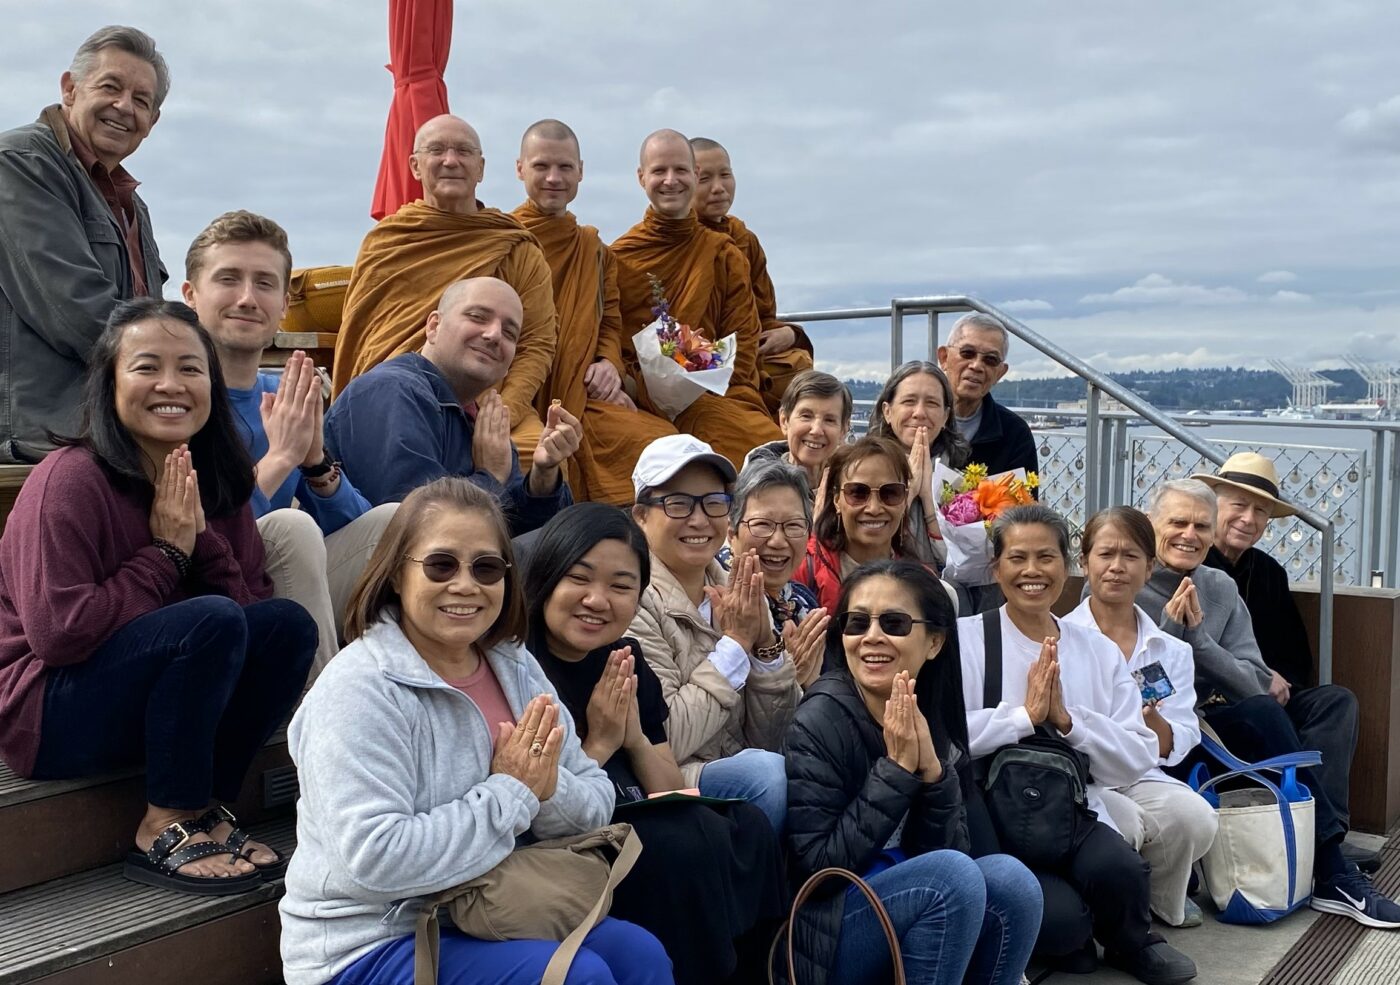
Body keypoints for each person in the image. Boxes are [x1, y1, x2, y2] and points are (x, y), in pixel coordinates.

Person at [279, 477, 672, 985]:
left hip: (492, 904)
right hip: (370, 939)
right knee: (578, 976)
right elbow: (373, 859)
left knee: (641, 955)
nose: (466, 585)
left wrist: (549, 788)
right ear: (398, 573)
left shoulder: (514, 665)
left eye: (486, 568)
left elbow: (595, 797)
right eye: (442, 565)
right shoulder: (358, 690)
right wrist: (511, 792)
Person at [0, 298, 316, 894]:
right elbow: (58, 635)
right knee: (209, 622)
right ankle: (163, 822)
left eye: (191, 369)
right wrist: (164, 557)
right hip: (46, 711)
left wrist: (200, 542)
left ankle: (204, 807)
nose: (170, 385)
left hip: (160, 710)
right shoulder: (68, 480)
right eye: (147, 366)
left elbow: (250, 621)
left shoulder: (216, 479)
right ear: (111, 384)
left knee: (286, 625)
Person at [524, 502, 789, 985]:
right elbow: (539, 809)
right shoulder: (521, 664)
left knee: (746, 826)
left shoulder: (624, 658)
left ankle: (763, 969)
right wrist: (601, 744)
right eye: (579, 579)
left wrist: (636, 739)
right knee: (677, 846)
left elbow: (668, 788)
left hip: (633, 807)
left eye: (621, 586)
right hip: (566, 835)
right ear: (546, 576)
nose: (597, 600)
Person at [1138, 478, 1400, 928]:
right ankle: (1332, 863)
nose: (1190, 534)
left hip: (1228, 714)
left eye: (1202, 525)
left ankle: (1326, 854)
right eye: (1177, 522)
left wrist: (1201, 641)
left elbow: (1256, 679)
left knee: (1304, 705)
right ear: (1149, 526)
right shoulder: (1128, 583)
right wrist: (1172, 631)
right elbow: (1146, 687)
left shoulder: (1219, 585)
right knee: (1261, 715)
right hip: (1169, 729)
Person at [960, 505, 1197, 984]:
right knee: (1062, 925)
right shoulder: (969, 640)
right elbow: (948, 740)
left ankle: (1134, 944)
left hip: (1072, 807)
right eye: (1017, 558)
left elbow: (1135, 756)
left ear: (1066, 567)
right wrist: (1023, 717)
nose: (1032, 571)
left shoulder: (1096, 651)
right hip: (993, 811)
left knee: (1124, 872)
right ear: (995, 568)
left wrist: (1070, 721)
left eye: (1046, 557)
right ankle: (1067, 938)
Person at [784, 559, 1042, 984]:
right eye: (856, 622)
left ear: (935, 642)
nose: (871, 637)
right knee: (951, 878)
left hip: (916, 903)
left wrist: (934, 779)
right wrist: (897, 771)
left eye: (894, 622)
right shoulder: (821, 719)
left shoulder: (931, 713)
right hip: (831, 930)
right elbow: (816, 872)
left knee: (1012, 880)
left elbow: (947, 849)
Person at [183, 210, 395, 672]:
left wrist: (314, 461)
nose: (246, 298)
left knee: (395, 522)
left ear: (282, 304)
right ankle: (316, 721)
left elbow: (356, 532)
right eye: (228, 279)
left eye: (264, 283)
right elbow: (190, 537)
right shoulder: (174, 396)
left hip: (278, 587)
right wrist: (279, 459)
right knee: (291, 530)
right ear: (191, 296)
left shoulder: (283, 395)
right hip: (197, 594)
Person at [331, 115, 556, 457]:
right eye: (436, 150)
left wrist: (502, 412)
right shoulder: (386, 241)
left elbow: (537, 341)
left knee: (530, 454)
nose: (451, 160)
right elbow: (362, 337)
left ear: (480, 168)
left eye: (463, 151)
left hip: (482, 399)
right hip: (398, 393)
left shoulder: (515, 245)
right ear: (415, 166)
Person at [0, 25, 168, 462]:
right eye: (110, 87)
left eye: (141, 100)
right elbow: (74, 312)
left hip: (110, 443)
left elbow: (146, 314)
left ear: (152, 122)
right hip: (38, 449)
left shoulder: (134, 206)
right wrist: (181, 372)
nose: (123, 107)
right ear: (70, 89)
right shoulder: (21, 163)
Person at [626, 434, 800, 834]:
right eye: (678, 503)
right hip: (668, 786)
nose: (700, 519)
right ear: (640, 515)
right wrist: (735, 646)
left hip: (736, 763)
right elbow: (667, 738)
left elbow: (777, 734)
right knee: (764, 774)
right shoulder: (631, 600)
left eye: (714, 502)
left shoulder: (735, 586)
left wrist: (767, 653)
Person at [324, 277, 576, 537]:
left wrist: (543, 476)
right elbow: (415, 525)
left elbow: (514, 529)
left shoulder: (482, 420)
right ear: (433, 326)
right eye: (478, 317)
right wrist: (490, 476)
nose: (494, 335)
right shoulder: (393, 391)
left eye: (510, 333)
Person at [1064, 506, 1218, 929]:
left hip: (1142, 773)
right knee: (1123, 823)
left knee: (1194, 816)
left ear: (1149, 568)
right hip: (1085, 777)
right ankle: (1106, 916)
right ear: (1084, 562)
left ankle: (1156, 902)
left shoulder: (1170, 651)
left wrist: (1156, 727)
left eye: (1130, 556)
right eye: (1105, 554)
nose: (1117, 567)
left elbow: (1182, 734)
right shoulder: (1058, 638)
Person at [510, 119, 677, 504]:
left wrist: (608, 364)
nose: (554, 178)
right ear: (520, 168)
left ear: (581, 172)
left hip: (584, 394)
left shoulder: (594, 250)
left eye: (565, 167)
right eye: (541, 166)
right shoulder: (505, 239)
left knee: (664, 445)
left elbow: (611, 320)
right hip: (521, 391)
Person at [611, 129, 783, 467]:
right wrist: (639, 384)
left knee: (767, 447)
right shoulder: (620, 257)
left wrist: (705, 372)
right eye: (659, 171)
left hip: (721, 392)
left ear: (693, 175)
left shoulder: (724, 253)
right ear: (641, 177)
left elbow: (743, 342)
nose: (670, 181)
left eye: (681, 171)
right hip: (643, 396)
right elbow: (611, 338)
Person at [690, 137, 815, 416]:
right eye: (705, 179)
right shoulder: (671, 244)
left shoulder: (744, 240)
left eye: (725, 174)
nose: (718, 188)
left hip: (750, 362)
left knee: (800, 365)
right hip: (694, 374)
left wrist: (789, 333)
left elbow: (763, 316)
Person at [722, 459, 830, 690]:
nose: (778, 541)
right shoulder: (719, 605)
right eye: (762, 524)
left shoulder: (802, 600)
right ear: (731, 534)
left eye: (793, 525)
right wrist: (782, 674)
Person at [867, 360, 971, 569]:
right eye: (909, 401)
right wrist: (907, 493)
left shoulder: (961, 482)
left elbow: (961, 564)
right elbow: (862, 547)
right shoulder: (861, 472)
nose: (920, 413)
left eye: (932, 403)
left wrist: (929, 500)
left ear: (945, 416)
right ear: (887, 411)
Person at [796, 437, 916, 614]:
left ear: (905, 500)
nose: (874, 508)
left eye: (890, 493)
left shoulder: (920, 581)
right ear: (837, 500)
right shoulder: (804, 567)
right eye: (858, 493)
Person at [936, 314, 1037, 477]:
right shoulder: (916, 418)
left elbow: (1025, 501)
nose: (976, 366)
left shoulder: (1014, 433)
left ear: (1000, 373)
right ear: (944, 357)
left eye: (990, 360)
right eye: (967, 353)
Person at [743, 369, 851, 496]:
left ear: (843, 429)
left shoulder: (857, 492)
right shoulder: (756, 490)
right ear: (784, 421)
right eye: (806, 416)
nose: (816, 430)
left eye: (829, 420)